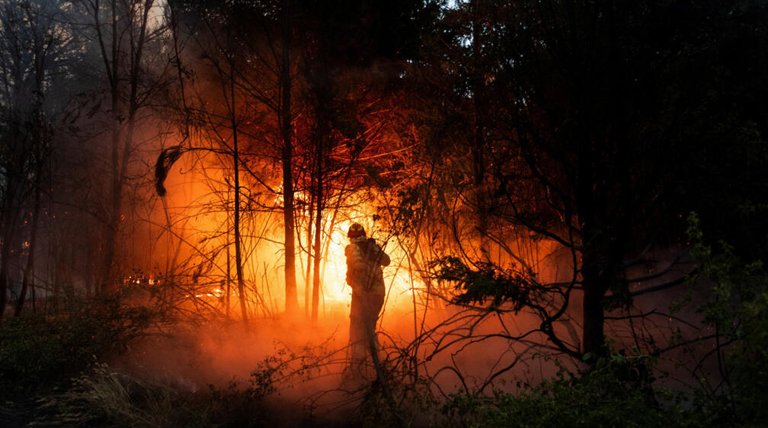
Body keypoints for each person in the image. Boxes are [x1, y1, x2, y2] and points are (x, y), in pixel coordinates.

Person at [344, 223, 390, 376]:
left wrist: (357, 276)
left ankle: (357, 370)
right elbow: (386, 260)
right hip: (378, 295)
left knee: (357, 330)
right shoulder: (372, 248)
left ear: (351, 237)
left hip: (362, 295)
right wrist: (373, 250)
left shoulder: (352, 248)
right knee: (369, 328)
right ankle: (379, 365)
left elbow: (357, 264)